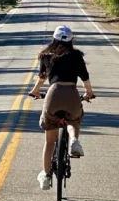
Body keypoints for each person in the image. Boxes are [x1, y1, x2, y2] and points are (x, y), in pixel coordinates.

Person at [29, 24, 95, 190]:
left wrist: (35, 91)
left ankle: (45, 175)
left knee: (50, 140)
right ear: (71, 40)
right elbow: (86, 80)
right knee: (73, 120)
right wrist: (89, 94)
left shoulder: (46, 55)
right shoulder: (76, 56)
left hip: (53, 94)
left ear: (54, 39)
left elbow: (42, 78)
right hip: (72, 93)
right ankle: (74, 140)